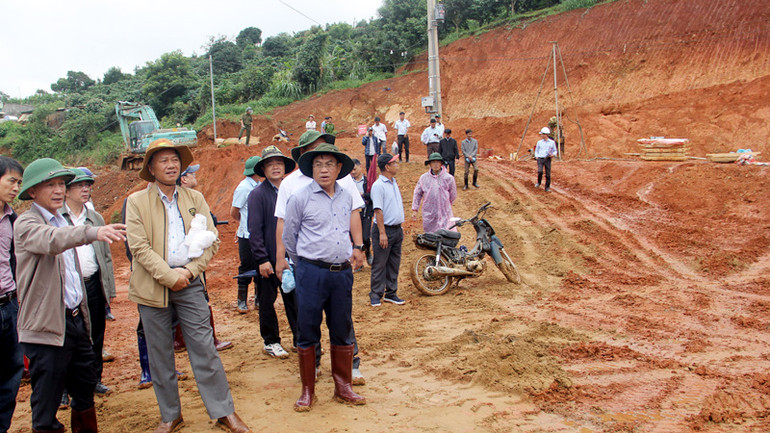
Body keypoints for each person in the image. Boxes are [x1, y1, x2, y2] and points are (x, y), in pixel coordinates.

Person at [125, 139, 251, 433]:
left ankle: (223, 412)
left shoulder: (195, 198)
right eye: (163, 161)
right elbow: (139, 248)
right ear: (151, 168)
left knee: (205, 349)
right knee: (159, 354)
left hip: (190, 282)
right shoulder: (136, 202)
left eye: (174, 159)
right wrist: (170, 277)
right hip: (152, 286)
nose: (171, 165)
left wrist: (190, 271)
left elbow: (212, 240)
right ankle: (170, 415)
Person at [15, 158, 126, 433]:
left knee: (85, 389)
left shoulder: (62, 219)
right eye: (50, 184)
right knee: (47, 401)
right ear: (32, 192)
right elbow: (53, 240)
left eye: (62, 184)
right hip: (47, 326)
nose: (58, 190)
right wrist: (93, 232)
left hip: (76, 320)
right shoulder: (27, 223)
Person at [275, 130, 367, 387]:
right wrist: (293, 260)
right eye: (316, 156)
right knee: (308, 324)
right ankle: (310, 379)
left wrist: (357, 246)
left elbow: (353, 214)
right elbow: (286, 228)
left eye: (328, 158)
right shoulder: (293, 187)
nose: (323, 164)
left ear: (337, 166)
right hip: (310, 269)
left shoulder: (346, 188)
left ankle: (346, 379)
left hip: (340, 269)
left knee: (342, 322)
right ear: (305, 156)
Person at [61, 169, 117, 399]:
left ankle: (95, 380)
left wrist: (109, 288)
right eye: (79, 185)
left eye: (87, 185)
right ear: (66, 190)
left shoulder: (95, 218)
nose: (85, 189)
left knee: (96, 333)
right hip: (69, 288)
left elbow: (105, 256)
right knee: (68, 338)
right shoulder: (57, 218)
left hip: (93, 283)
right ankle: (64, 388)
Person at [247, 146, 298, 359]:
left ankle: (300, 338)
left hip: (291, 258)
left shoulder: (291, 190)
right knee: (267, 301)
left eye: (279, 163)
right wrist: (262, 259)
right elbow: (254, 230)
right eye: (270, 164)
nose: (275, 167)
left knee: (294, 299)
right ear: (264, 169)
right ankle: (271, 341)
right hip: (268, 258)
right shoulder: (258, 194)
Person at [176, 165, 233, 353]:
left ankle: (179, 340)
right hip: (193, 257)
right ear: (183, 178)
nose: (195, 176)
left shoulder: (186, 199)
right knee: (201, 296)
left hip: (182, 258)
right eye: (192, 173)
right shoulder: (191, 200)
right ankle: (210, 340)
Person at [0, 156, 23, 433]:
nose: (16, 187)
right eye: (10, 181)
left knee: (10, 374)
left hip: (9, 305)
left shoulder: (12, 220)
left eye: (19, 182)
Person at [368, 153, 405, 307]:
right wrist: (382, 233)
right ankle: (375, 294)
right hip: (384, 230)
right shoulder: (378, 186)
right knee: (380, 263)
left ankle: (391, 292)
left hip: (397, 230)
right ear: (387, 167)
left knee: (394, 262)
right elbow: (378, 210)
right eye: (394, 163)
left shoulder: (393, 182)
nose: (397, 165)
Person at [231, 156, 262, 313]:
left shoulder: (259, 185)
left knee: (260, 265)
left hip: (259, 234)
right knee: (246, 266)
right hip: (246, 235)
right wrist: (243, 223)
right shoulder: (244, 188)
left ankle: (258, 299)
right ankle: (241, 300)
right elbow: (234, 211)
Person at [412, 153, 457, 233]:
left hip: (445, 211)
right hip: (429, 212)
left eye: (437, 162)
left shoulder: (449, 178)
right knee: (431, 236)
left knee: (447, 234)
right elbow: (417, 193)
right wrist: (415, 209)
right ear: (430, 164)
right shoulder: (424, 178)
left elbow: (453, 194)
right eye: (433, 162)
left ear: (441, 164)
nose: (435, 164)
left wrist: (446, 203)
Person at [350, 160, 373, 268]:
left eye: (354, 169)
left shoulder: (368, 181)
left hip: (365, 212)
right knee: (354, 238)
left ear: (360, 167)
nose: (353, 172)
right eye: (351, 170)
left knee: (364, 237)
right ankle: (359, 262)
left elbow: (373, 195)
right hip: (353, 213)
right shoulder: (349, 182)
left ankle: (368, 251)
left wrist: (362, 195)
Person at [534, 127, 558, 192]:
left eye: (542, 134)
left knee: (548, 174)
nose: (541, 135)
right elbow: (536, 150)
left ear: (546, 135)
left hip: (547, 159)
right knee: (540, 171)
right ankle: (538, 182)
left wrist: (553, 154)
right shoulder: (539, 142)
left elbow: (555, 151)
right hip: (540, 159)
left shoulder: (552, 142)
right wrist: (536, 156)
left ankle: (547, 187)